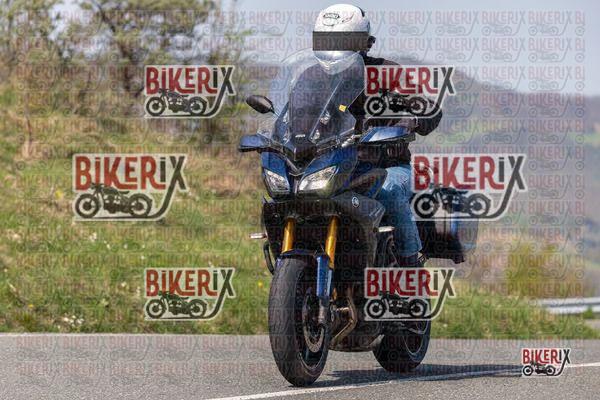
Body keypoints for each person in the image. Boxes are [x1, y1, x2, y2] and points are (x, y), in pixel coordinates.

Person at [313, 4, 443, 267]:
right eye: (327, 40)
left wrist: (412, 119)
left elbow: (430, 110)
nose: (334, 48)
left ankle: (410, 267)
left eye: (341, 41)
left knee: (389, 190)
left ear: (363, 43)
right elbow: (293, 115)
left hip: (386, 166)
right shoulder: (313, 78)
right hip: (335, 167)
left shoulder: (386, 73)